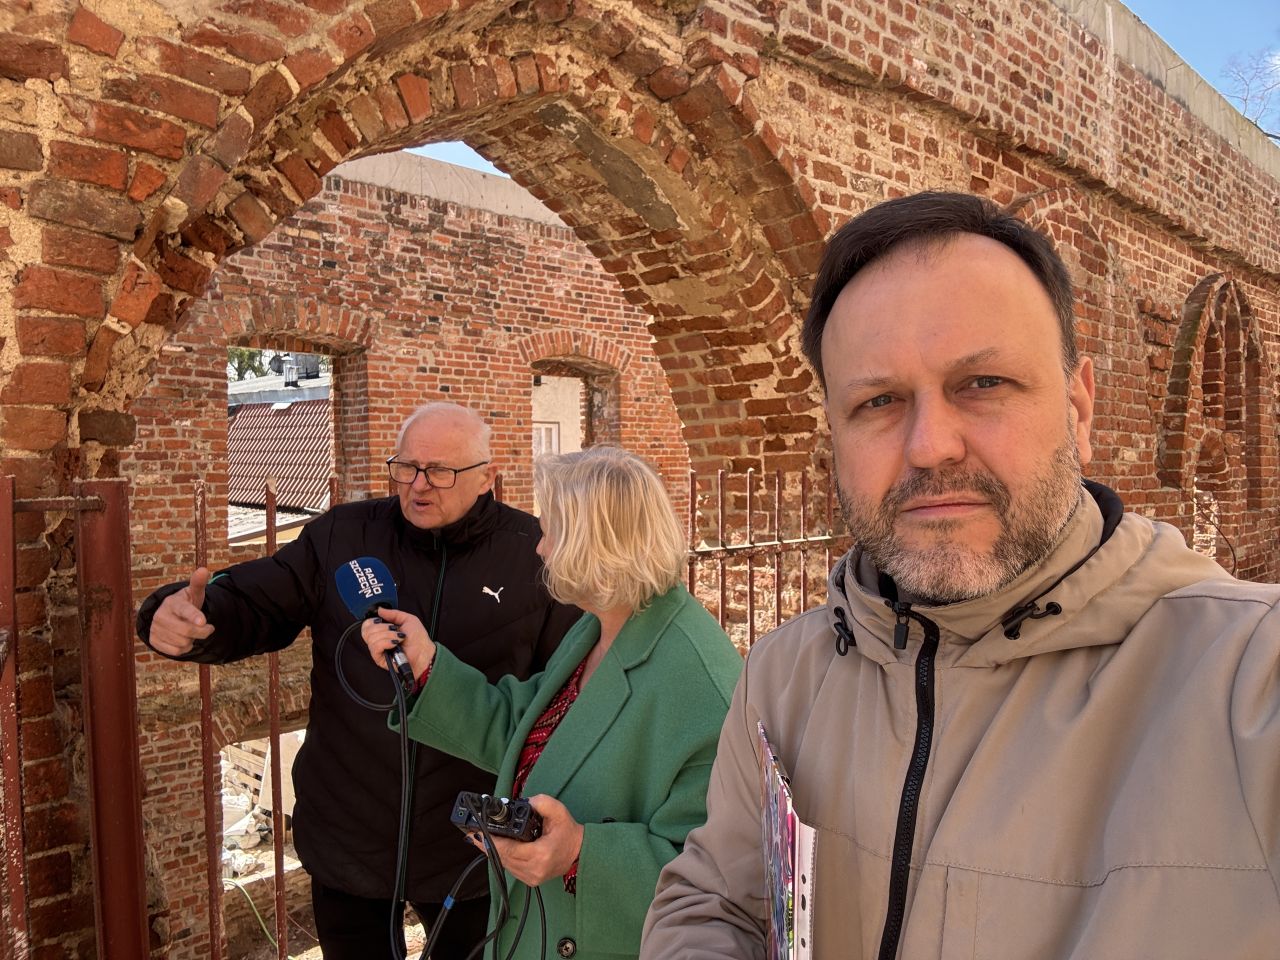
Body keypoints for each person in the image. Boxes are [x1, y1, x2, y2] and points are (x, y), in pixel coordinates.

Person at [641, 192, 1280, 958]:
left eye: (983, 384)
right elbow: (716, 900)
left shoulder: (1246, 679)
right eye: (879, 400)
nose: (930, 445)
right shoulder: (784, 679)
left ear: (1079, 408)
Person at [137, 402, 580, 960]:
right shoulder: (342, 536)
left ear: (487, 476)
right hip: (348, 835)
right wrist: (188, 617)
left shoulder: (534, 552)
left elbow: (566, 695)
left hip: (472, 846)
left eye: (440, 471)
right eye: (406, 467)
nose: (419, 485)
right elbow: (256, 601)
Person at [362, 446, 743, 960]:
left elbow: (716, 878)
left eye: (551, 532)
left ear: (595, 541)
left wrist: (580, 852)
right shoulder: (603, 623)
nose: (539, 549)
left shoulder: (699, 683)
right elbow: (528, 730)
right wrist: (426, 663)